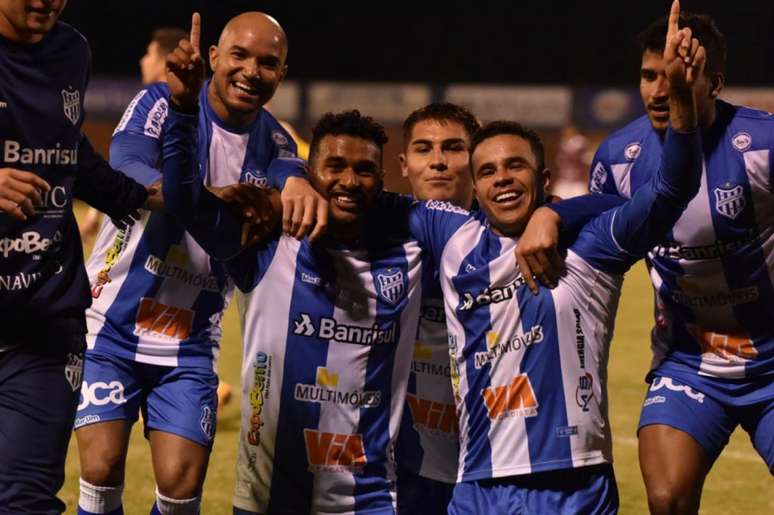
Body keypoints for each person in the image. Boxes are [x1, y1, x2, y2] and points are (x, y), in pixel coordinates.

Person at [74, 12, 324, 515]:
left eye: (268, 63)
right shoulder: (159, 102)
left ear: (281, 73)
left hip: (190, 342)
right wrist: (216, 202)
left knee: (180, 486)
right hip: (112, 328)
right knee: (100, 471)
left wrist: (298, 180)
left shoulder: (276, 141)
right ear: (214, 58)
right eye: (240, 56)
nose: (252, 71)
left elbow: (291, 170)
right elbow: (127, 170)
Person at [587, 10, 774, 514]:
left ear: (713, 82)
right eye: (650, 75)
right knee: (666, 498)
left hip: (773, 362)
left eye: (675, 75)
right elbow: (596, 255)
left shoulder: (763, 145)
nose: (659, 89)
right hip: (690, 365)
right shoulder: (618, 159)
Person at [0, 0, 158, 513]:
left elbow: (71, 153)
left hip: (45, 319)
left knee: (24, 499)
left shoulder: (71, 51)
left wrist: (148, 195)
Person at [395, 102, 479, 514]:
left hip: (487, 466)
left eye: (453, 148)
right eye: (424, 149)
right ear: (403, 164)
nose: (439, 161)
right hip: (399, 466)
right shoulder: (375, 234)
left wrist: (552, 214)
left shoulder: (515, 240)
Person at [78, 26, 187, 243]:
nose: (143, 61)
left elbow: (124, 163)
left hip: (150, 229)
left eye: (149, 53)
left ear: (164, 61)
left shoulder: (159, 100)